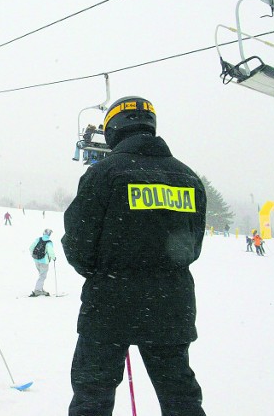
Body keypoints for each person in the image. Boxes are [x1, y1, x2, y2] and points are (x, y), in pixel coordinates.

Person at [62, 96, 207, 416]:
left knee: (93, 394)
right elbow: (192, 246)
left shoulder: (104, 173)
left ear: (113, 130)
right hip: (171, 306)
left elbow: (78, 241)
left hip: (110, 305)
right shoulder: (187, 177)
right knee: (179, 393)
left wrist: (105, 271)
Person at [28, 229, 56, 297]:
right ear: (49, 235)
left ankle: (40, 288)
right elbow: (50, 251)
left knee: (41, 275)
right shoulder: (49, 242)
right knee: (42, 276)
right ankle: (37, 290)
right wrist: (53, 257)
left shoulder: (38, 239)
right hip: (44, 262)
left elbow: (30, 247)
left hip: (36, 260)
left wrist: (33, 255)